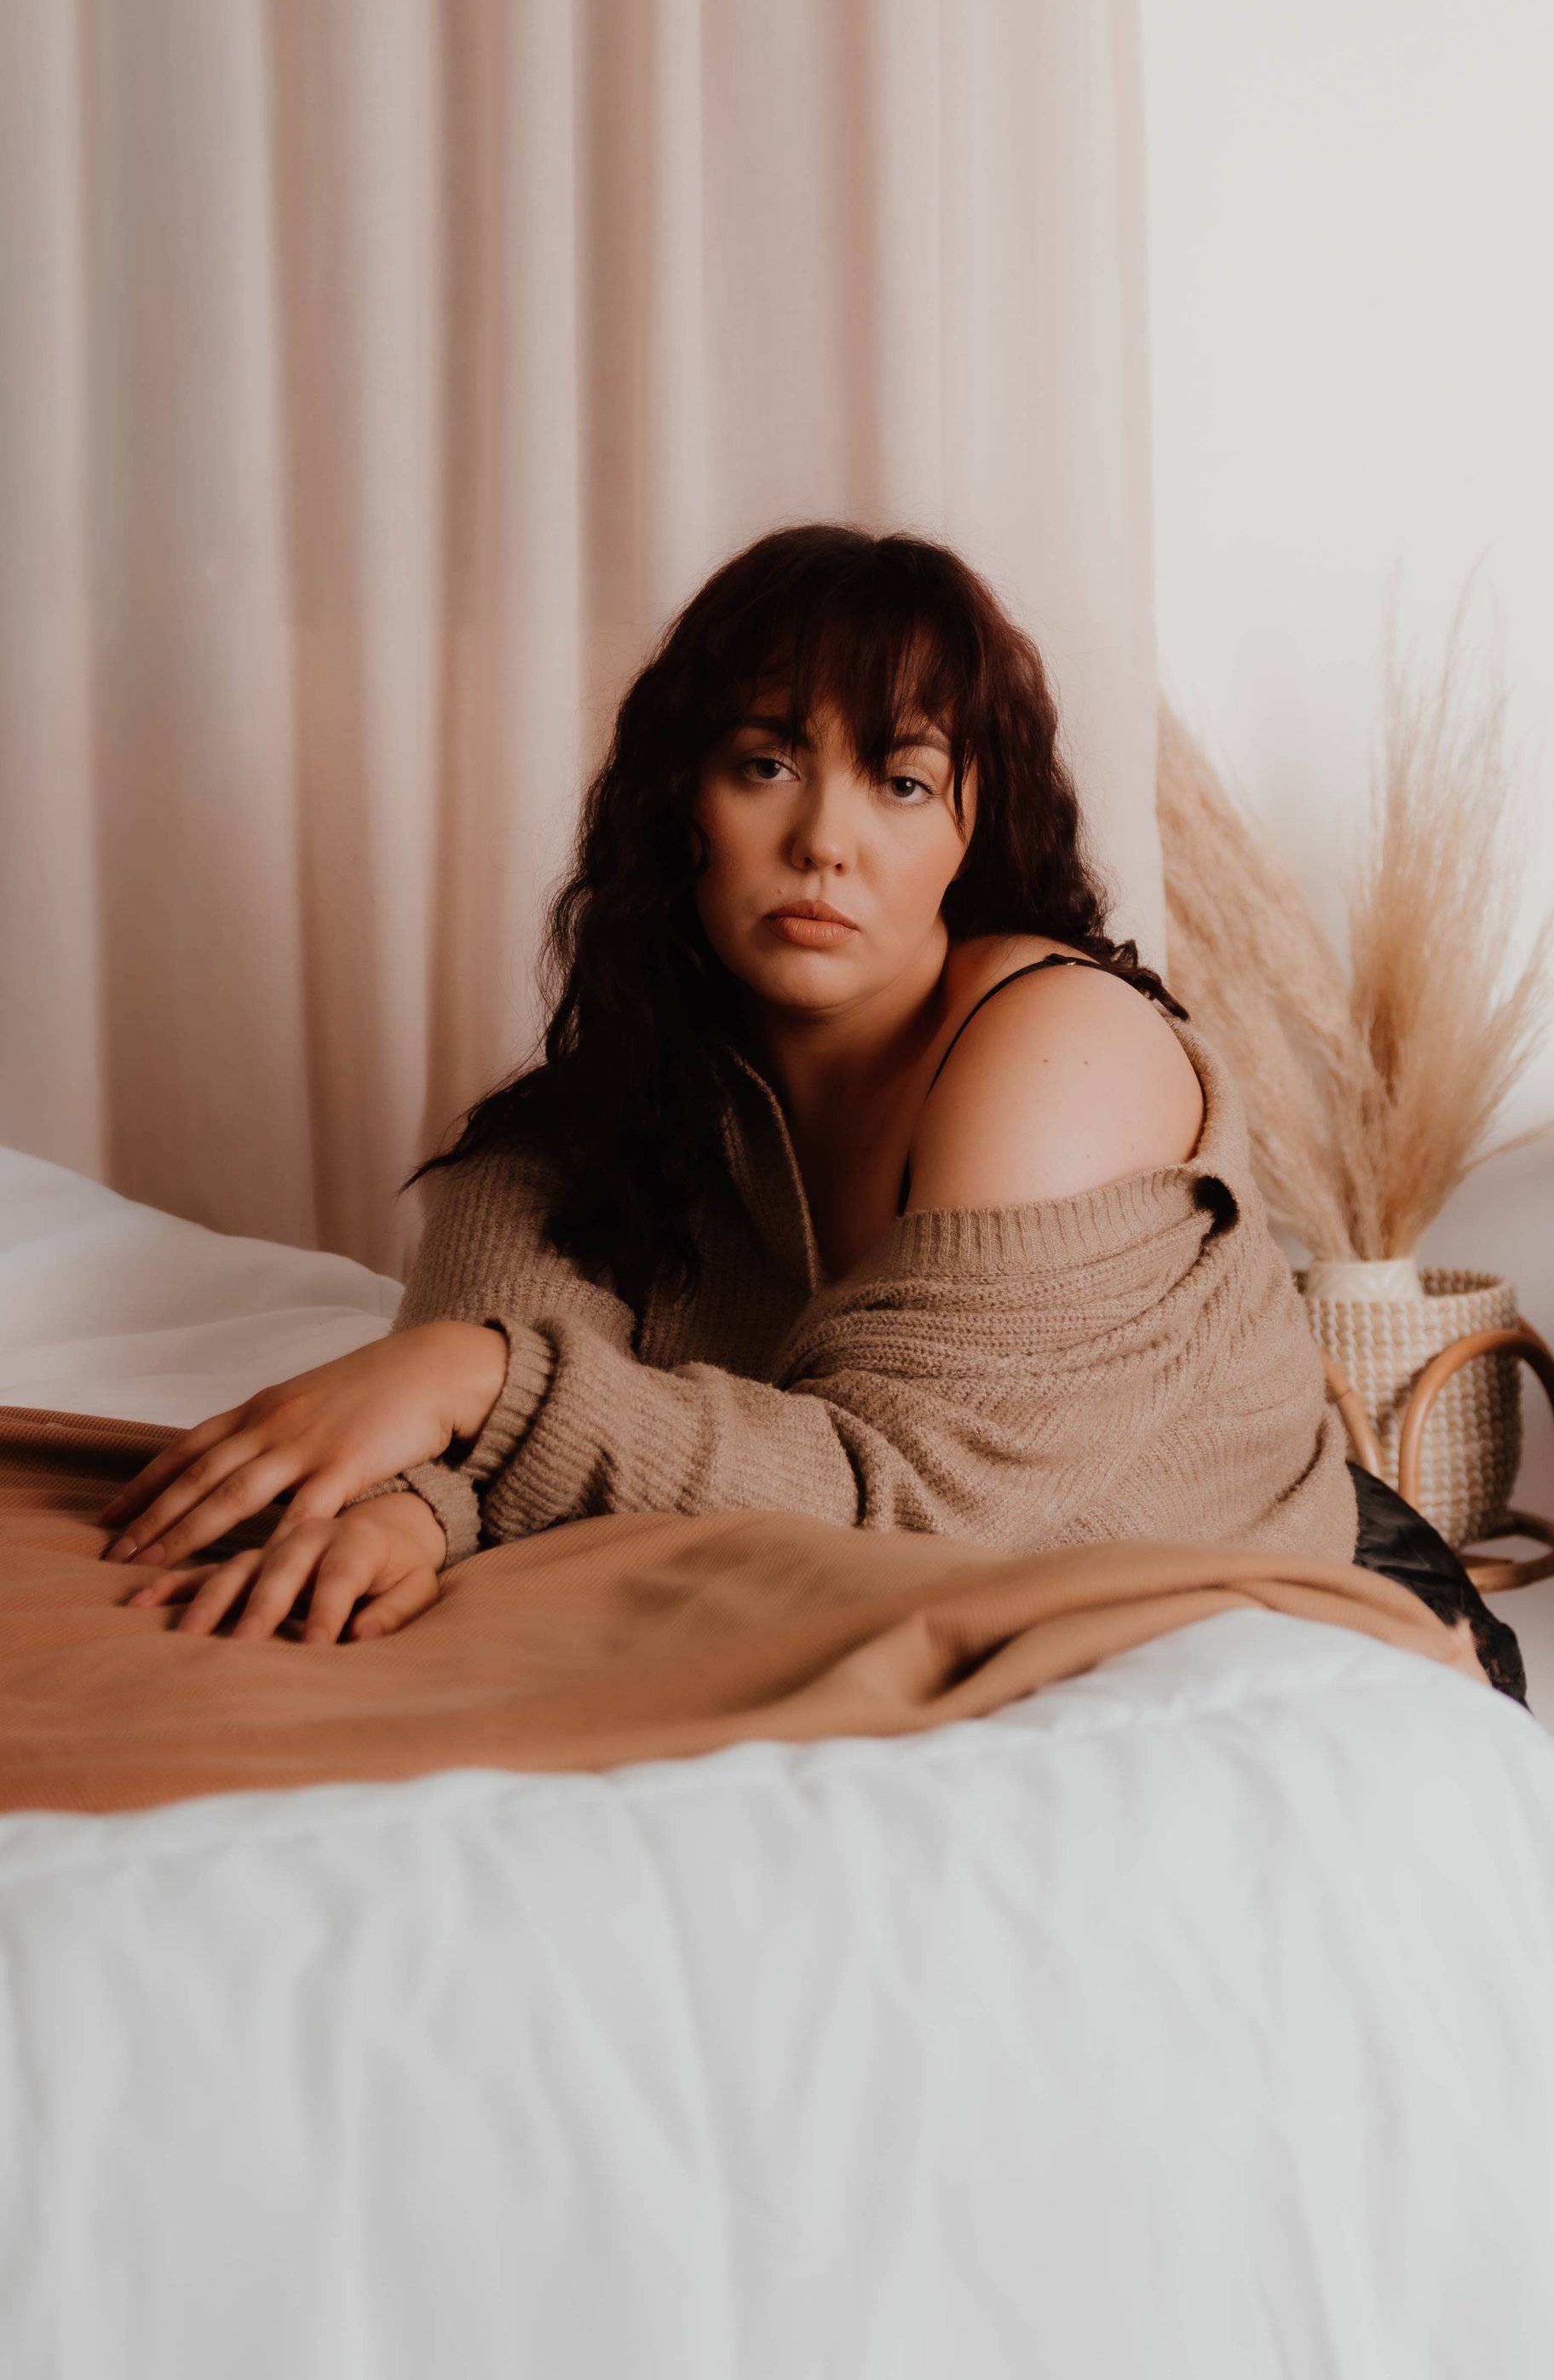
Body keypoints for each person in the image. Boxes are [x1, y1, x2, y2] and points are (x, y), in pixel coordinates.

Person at [103, 526, 1378, 1650]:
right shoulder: (613, 1105)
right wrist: (412, 1507)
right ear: (681, 804)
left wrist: (471, 1382)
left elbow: (902, 1512)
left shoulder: (1056, 1048)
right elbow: (491, 1352)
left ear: (969, 834)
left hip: (1279, 1606)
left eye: (903, 781)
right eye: (768, 763)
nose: (826, 839)